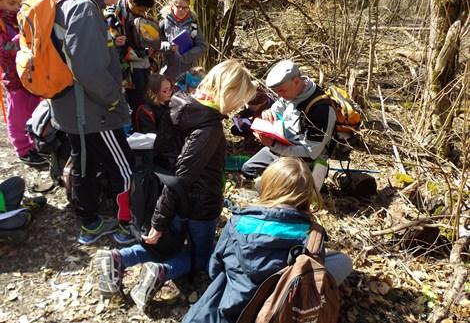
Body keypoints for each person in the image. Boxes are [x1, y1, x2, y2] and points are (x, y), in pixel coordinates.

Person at [95, 59, 257, 309]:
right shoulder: (209, 127)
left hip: (175, 198)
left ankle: (118, 258)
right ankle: (160, 272)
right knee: (201, 256)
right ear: (229, 91)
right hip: (198, 204)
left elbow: (171, 159)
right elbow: (183, 176)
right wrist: (159, 222)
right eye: (240, 99)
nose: (240, 106)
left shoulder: (182, 103)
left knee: (167, 245)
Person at [182, 157, 352, 323]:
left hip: (233, 307)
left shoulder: (237, 223)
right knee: (343, 261)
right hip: (283, 308)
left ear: (267, 186)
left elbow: (214, 268)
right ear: (308, 193)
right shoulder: (313, 235)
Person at [50, 0, 136, 245]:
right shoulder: (85, 8)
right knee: (123, 166)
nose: (116, 0)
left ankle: (89, 222)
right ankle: (126, 223)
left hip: (70, 110)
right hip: (95, 111)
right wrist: (113, 99)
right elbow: (88, 69)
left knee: (83, 163)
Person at [242, 59, 337, 190]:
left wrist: (273, 145)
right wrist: (268, 112)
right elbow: (278, 106)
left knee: (279, 188)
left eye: (281, 91)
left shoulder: (321, 110)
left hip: (303, 160)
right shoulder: (292, 93)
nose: (279, 95)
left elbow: (310, 153)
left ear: (296, 81)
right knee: (248, 170)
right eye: (277, 92)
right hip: (283, 146)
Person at [0, 0, 46, 166]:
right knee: (18, 115)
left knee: (34, 109)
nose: (17, 6)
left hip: (29, 74)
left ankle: (35, 143)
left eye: (19, 3)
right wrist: (23, 38)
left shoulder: (19, 18)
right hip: (13, 78)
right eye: (12, 3)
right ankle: (23, 149)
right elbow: (4, 47)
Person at [105, 0, 155, 118]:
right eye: (139, 10)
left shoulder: (144, 16)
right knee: (135, 105)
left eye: (144, 11)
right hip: (126, 72)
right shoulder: (113, 15)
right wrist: (143, 53)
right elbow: (120, 51)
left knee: (147, 101)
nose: (141, 13)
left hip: (145, 66)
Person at [134, 73, 182, 171]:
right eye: (165, 91)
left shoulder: (172, 104)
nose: (169, 92)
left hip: (176, 151)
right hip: (160, 158)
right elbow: (151, 139)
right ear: (154, 92)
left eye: (170, 89)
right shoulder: (146, 111)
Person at [159, 0, 208, 82]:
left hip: (189, 72)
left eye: (185, 8)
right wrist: (168, 46)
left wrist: (186, 56)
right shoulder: (164, 23)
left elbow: (203, 46)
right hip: (169, 71)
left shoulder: (193, 24)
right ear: (172, 5)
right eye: (179, 7)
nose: (182, 10)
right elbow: (156, 44)